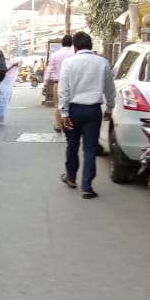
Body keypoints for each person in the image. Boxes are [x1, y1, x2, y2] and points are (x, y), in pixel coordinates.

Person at [58, 31, 115, 198]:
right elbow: (110, 90)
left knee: (72, 145)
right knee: (90, 148)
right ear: (91, 46)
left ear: (75, 47)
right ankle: (87, 187)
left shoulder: (68, 63)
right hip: (93, 111)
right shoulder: (102, 63)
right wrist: (109, 109)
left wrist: (64, 113)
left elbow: (63, 90)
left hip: (73, 110)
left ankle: (70, 177)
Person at [45, 34, 74, 133]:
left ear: (62, 43)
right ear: (72, 43)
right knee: (72, 104)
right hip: (72, 84)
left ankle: (58, 126)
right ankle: (70, 123)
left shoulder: (55, 55)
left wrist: (45, 84)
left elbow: (49, 70)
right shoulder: (75, 54)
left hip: (58, 83)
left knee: (58, 105)